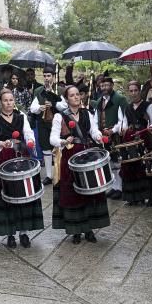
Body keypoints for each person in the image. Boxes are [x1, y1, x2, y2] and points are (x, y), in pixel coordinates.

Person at [50, 85, 109, 243]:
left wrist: (98, 137)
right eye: (72, 95)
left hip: (86, 154)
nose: (76, 97)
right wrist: (63, 140)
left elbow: (93, 130)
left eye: (78, 94)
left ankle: (89, 229)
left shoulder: (87, 113)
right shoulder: (59, 117)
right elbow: (52, 139)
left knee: (89, 191)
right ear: (66, 99)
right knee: (73, 194)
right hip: (70, 158)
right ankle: (75, 230)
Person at [0, 88, 43, 248]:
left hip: (22, 158)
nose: (9, 103)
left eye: (11, 100)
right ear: (0, 102)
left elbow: (28, 132)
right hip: (4, 159)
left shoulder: (21, 117)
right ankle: (10, 233)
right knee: (7, 196)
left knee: (24, 194)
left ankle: (24, 233)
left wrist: (30, 141)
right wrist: (1, 144)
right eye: (5, 100)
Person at [120, 81, 152, 206]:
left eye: (135, 90)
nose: (133, 93)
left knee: (147, 167)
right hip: (131, 141)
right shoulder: (127, 108)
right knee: (133, 167)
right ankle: (136, 197)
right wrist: (124, 128)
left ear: (140, 91)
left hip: (146, 140)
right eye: (131, 91)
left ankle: (151, 197)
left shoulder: (149, 106)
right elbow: (125, 123)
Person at [93, 73, 127, 200]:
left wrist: (113, 130)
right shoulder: (98, 101)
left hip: (116, 136)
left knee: (117, 161)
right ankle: (114, 186)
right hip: (103, 136)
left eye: (107, 85)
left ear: (112, 85)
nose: (105, 87)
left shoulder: (119, 99)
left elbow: (122, 119)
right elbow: (95, 119)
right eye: (102, 85)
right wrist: (97, 131)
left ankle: (120, 188)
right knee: (110, 162)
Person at [29, 66, 60, 186]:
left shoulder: (59, 90)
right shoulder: (38, 91)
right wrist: (39, 108)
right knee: (46, 149)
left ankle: (59, 174)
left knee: (58, 148)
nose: (47, 78)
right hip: (43, 123)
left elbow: (65, 107)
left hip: (57, 123)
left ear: (53, 76)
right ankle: (48, 175)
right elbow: (32, 108)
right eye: (45, 76)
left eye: (49, 76)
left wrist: (53, 104)